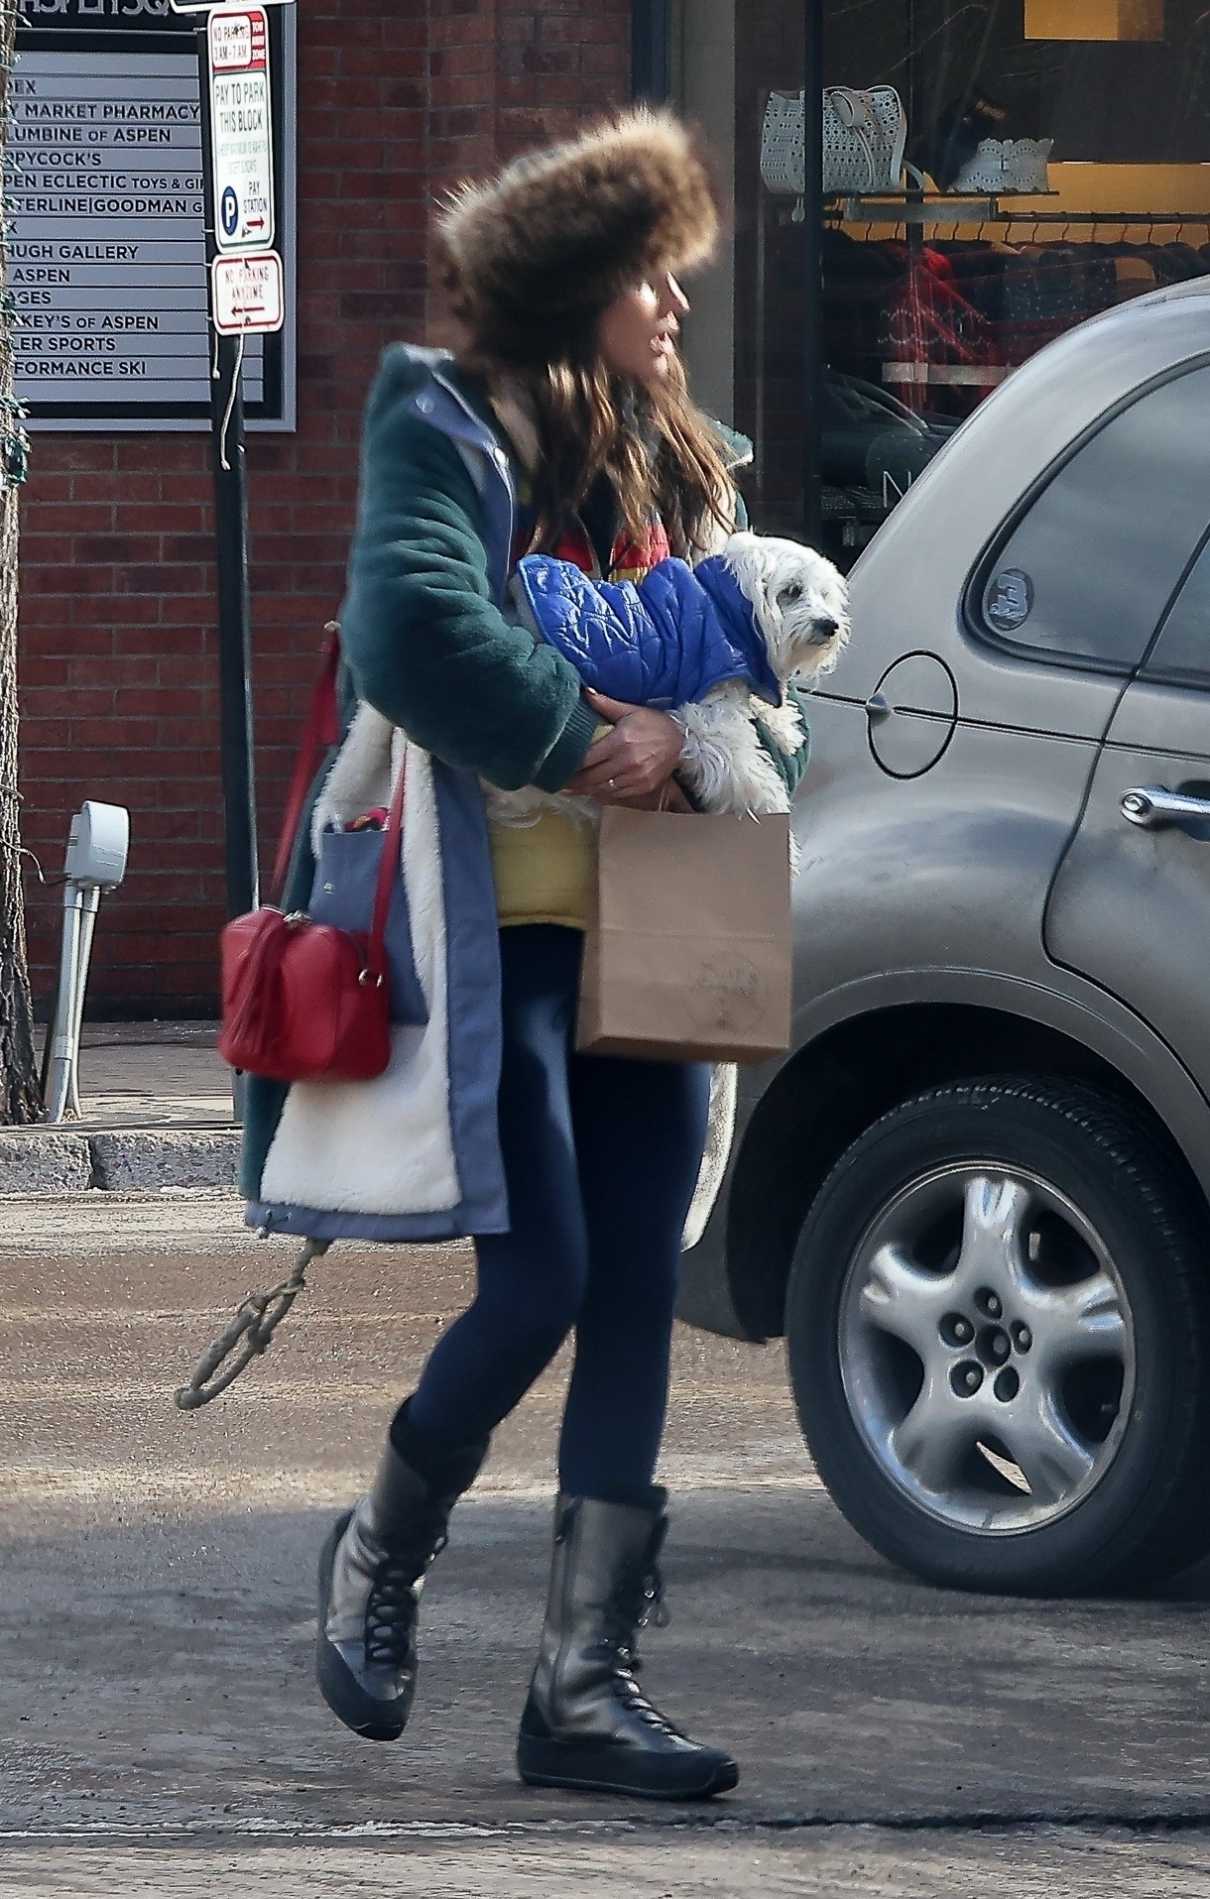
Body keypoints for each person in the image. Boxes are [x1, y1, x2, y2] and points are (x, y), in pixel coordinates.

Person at [244, 109, 810, 1803]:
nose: (679, 312)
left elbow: (754, 651)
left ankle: (581, 1691)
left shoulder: (683, 452)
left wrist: (720, 739)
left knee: (637, 1277)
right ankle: (377, 1554)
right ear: (578, 281)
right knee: (547, 1271)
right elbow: (414, 628)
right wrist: (590, 737)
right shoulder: (440, 416)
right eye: (658, 278)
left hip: (661, 927)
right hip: (504, 934)